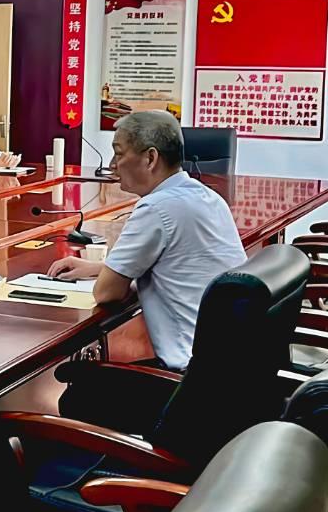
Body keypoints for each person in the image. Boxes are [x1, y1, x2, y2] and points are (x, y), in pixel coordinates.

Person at [45, 110, 246, 371]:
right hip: (228, 363)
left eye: (119, 153)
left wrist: (107, 276)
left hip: (190, 375)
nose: (112, 164)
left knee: (78, 392)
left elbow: (107, 293)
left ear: (150, 158)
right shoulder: (207, 196)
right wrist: (98, 269)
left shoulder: (156, 208)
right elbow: (178, 265)